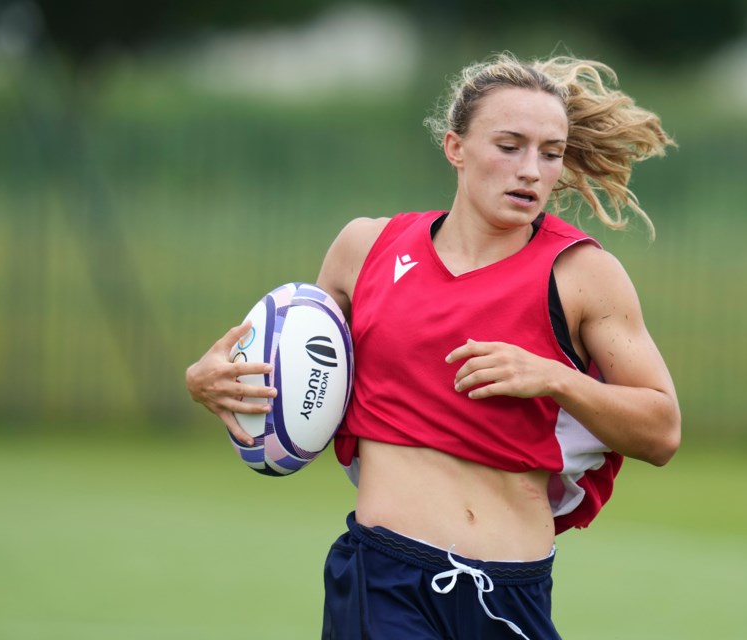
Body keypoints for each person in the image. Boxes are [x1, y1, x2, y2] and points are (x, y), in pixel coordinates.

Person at [186, 51, 681, 639]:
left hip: (512, 590)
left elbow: (661, 432)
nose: (531, 171)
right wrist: (210, 380)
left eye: (550, 154)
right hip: (384, 578)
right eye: (509, 146)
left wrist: (556, 377)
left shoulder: (580, 274)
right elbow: (302, 374)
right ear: (456, 148)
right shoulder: (365, 248)